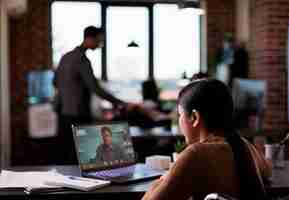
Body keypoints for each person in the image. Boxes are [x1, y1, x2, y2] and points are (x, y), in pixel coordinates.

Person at [142, 79, 271, 200]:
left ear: (194, 117)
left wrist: (165, 178)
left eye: (180, 115)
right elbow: (267, 172)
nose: (179, 121)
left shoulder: (196, 154)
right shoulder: (244, 145)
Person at [53, 26, 131, 163]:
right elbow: (95, 88)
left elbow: (55, 82)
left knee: (64, 154)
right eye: (99, 41)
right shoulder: (82, 60)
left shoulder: (65, 57)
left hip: (62, 113)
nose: (100, 45)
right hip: (78, 114)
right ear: (89, 39)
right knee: (79, 157)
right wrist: (119, 102)